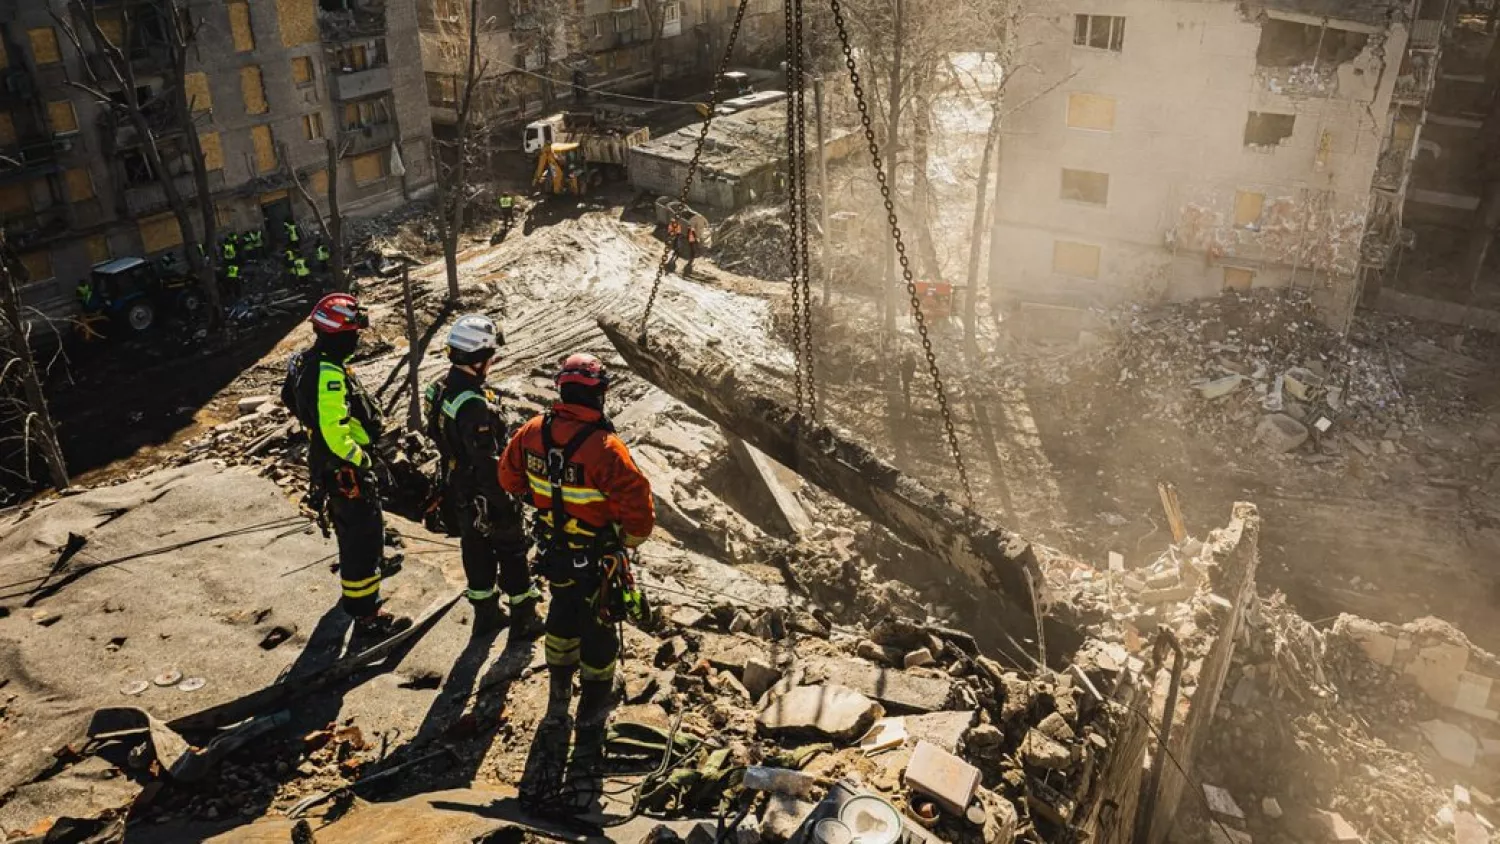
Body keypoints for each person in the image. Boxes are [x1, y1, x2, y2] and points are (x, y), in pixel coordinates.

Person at [499, 353, 653, 730]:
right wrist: (627, 540)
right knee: (599, 621)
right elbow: (639, 510)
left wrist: (540, 501)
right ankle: (596, 696)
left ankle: (559, 692)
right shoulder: (605, 447)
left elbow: (508, 479)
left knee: (561, 612)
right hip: (597, 557)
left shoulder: (532, 431)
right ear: (598, 395)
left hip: (554, 551)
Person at [281, 294, 410, 639]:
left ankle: (369, 577)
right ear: (339, 333)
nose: (358, 339)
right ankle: (367, 615)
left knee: (360, 528)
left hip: (329, 462)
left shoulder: (302, 361)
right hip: (345, 467)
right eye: (354, 332)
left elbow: (288, 399)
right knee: (360, 538)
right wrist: (364, 460)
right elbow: (335, 434)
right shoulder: (329, 374)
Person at [426, 315, 542, 637]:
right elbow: (488, 463)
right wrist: (505, 501)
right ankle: (524, 617)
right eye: (490, 355)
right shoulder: (475, 406)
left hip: (456, 485)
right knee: (512, 548)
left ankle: (485, 614)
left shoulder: (440, 388)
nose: (493, 360)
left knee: (474, 548)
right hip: (483, 489)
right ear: (478, 358)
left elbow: (437, 433)